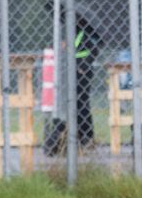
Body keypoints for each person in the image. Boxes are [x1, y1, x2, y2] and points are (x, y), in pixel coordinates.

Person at [43, 14, 101, 156]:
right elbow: (71, 47)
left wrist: (84, 64)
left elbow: (92, 50)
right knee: (73, 102)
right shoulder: (73, 32)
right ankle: (76, 136)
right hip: (72, 68)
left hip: (82, 70)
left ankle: (87, 136)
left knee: (82, 103)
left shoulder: (85, 33)